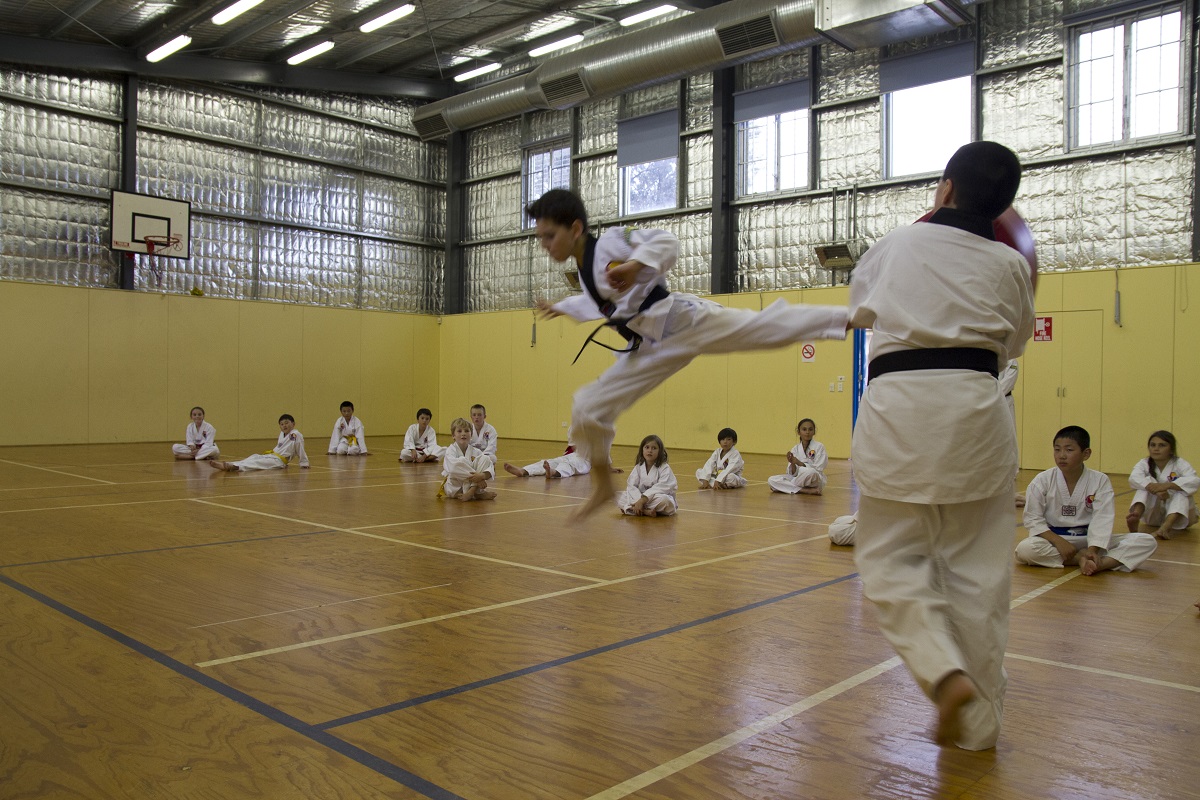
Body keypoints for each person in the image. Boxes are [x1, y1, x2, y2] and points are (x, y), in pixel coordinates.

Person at [848, 141, 1036, 751]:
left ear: (946, 188)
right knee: (980, 584)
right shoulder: (1010, 264)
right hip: (976, 417)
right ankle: (979, 731)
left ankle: (940, 670)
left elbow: (859, 310)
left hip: (900, 415)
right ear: (1002, 207)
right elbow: (1015, 342)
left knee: (890, 561)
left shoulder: (895, 246)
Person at [527, 189, 848, 519]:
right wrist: (563, 307)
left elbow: (666, 242)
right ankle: (603, 485)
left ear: (575, 228)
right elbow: (600, 301)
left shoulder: (611, 242)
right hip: (649, 348)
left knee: (758, 328)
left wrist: (636, 265)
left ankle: (845, 318)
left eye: (550, 236)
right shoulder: (584, 271)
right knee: (586, 406)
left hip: (680, 321)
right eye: (541, 238)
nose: (545, 245)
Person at [1017, 426, 1157, 574]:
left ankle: (1099, 563)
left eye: (1069, 450)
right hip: (1055, 539)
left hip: (1089, 538)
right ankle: (1080, 559)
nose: (1061, 455)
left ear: (1086, 454)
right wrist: (1059, 542)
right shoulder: (1042, 480)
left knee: (1146, 541)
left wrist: (1093, 549)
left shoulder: (1100, 480)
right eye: (1057, 450)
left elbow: (1102, 518)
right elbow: (1032, 518)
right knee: (1025, 550)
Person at [1126, 430, 1198, 539]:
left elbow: (1194, 481)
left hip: (1180, 518)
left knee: (1181, 492)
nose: (1156, 448)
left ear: (1171, 449)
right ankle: (1136, 516)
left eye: (1162, 445)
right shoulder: (1144, 463)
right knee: (1145, 484)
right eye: (1153, 445)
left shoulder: (1180, 463)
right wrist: (1155, 489)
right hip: (1153, 516)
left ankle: (1165, 528)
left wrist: (1167, 486)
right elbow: (1134, 478)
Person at [503, 429, 619, 478]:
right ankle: (524, 471)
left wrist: (608, 468)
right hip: (574, 454)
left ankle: (553, 473)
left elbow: (605, 450)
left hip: (586, 461)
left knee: (570, 465)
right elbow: (573, 445)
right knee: (551, 461)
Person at [210, 414, 310, 472]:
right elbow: (282, 448)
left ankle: (236, 467)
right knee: (254, 457)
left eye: (287, 423)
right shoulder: (282, 434)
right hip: (273, 456)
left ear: (293, 424)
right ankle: (230, 464)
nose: (284, 426)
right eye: (282, 424)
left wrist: (304, 463)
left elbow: (300, 448)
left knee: (258, 463)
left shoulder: (295, 435)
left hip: (278, 461)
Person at [617, 434, 677, 516]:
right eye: (647, 447)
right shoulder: (639, 467)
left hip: (655, 498)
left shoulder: (664, 467)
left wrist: (643, 500)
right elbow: (631, 486)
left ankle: (633, 509)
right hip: (639, 498)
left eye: (654, 448)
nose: (650, 451)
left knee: (666, 501)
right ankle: (645, 511)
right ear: (642, 449)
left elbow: (663, 486)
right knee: (617, 495)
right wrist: (639, 500)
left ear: (660, 451)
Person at [440, 417, 496, 501]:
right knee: (462, 460)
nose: (463, 434)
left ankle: (472, 492)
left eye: (466, 431)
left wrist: (482, 475)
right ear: (453, 436)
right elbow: (453, 468)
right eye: (459, 431)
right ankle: (477, 493)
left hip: (471, 486)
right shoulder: (450, 451)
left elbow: (489, 466)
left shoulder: (476, 451)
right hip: (455, 487)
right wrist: (478, 479)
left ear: (471, 435)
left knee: (486, 458)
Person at [767, 419, 827, 495]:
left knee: (811, 472)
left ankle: (786, 487)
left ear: (814, 432)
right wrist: (792, 463)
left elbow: (818, 468)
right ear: (799, 432)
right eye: (804, 429)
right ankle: (805, 490)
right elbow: (792, 474)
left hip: (813, 479)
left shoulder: (819, 447)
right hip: (798, 478)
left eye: (810, 429)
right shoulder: (795, 449)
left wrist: (799, 463)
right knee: (771, 480)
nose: (807, 432)